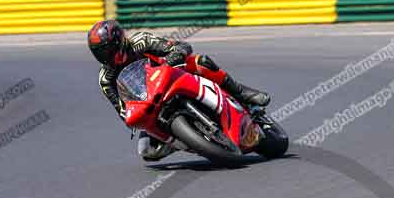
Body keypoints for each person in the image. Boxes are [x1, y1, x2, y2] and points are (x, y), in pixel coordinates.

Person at [87, 20, 270, 161]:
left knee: (201, 62)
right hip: (149, 102)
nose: (105, 57)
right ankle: (181, 141)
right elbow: (121, 109)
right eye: (99, 53)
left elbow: (180, 46)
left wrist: (172, 57)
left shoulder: (140, 41)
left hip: (172, 76)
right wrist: (132, 116)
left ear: (118, 42)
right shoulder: (106, 78)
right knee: (147, 151)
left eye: (106, 50)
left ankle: (240, 92)